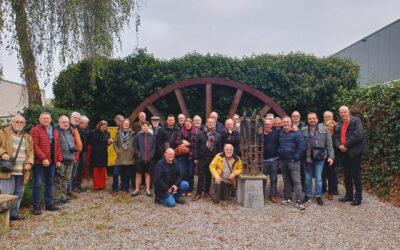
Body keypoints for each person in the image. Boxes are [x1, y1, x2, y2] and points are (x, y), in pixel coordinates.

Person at [0, 116, 34, 220]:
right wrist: (2, 153)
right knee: (7, 194)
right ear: (12, 123)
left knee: (19, 192)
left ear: (24, 124)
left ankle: (14, 214)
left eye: (22, 122)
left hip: (22, 170)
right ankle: (5, 217)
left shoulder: (27, 137)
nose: (19, 124)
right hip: (7, 170)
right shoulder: (3, 133)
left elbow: (31, 152)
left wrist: (29, 162)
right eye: (17, 122)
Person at [333, 106, 368, 206]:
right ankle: (349, 196)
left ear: (349, 112)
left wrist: (346, 145)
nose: (343, 114)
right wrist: (339, 145)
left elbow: (358, 135)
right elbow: (335, 136)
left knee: (356, 175)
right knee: (347, 175)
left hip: (354, 152)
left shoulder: (356, 121)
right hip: (343, 153)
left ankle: (358, 198)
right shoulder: (339, 124)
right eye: (341, 112)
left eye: (344, 112)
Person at [30, 112, 62, 215]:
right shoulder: (35, 130)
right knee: (38, 184)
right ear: (39, 120)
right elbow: (34, 146)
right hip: (39, 162)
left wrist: (58, 160)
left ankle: (48, 204)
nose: (46, 120)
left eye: (48, 118)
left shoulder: (54, 130)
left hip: (52, 161)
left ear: (51, 119)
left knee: (50, 182)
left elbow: (58, 146)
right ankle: (36, 206)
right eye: (44, 118)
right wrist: (43, 158)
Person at [301, 113, 334, 206]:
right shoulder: (303, 130)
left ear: (317, 119)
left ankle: (318, 196)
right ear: (308, 120)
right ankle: (307, 195)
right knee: (308, 177)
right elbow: (300, 144)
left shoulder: (324, 129)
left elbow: (329, 144)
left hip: (320, 157)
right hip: (307, 157)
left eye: (313, 118)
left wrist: (331, 157)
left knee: (319, 178)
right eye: (310, 119)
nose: (312, 120)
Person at [278, 116, 306, 210]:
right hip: (283, 160)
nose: (286, 124)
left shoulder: (297, 133)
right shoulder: (281, 133)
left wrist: (295, 158)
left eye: (287, 122)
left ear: (291, 123)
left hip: (293, 160)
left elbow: (302, 147)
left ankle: (298, 201)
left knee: (296, 181)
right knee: (286, 180)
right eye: (284, 122)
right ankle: (288, 197)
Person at [193, 118, 222, 201]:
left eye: (212, 122)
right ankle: (198, 193)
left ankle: (207, 192)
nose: (210, 123)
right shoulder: (200, 134)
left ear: (214, 123)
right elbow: (196, 146)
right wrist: (195, 157)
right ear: (206, 123)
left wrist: (218, 160)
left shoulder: (218, 135)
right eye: (209, 122)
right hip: (202, 158)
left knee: (209, 177)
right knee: (201, 176)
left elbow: (219, 149)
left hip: (212, 160)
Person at [53, 116, 79, 207]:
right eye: (64, 122)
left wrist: (74, 157)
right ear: (59, 123)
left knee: (66, 180)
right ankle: (56, 199)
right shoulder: (56, 132)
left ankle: (63, 197)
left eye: (67, 122)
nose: (66, 124)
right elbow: (56, 147)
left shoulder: (69, 131)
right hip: (61, 160)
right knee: (58, 180)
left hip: (70, 159)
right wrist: (57, 160)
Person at [171, 118, 198, 197]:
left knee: (190, 173)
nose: (187, 125)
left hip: (191, 156)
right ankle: (182, 189)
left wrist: (188, 144)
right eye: (186, 124)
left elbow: (197, 144)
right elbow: (176, 141)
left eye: (189, 123)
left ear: (191, 124)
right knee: (182, 173)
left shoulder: (196, 132)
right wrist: (182, 142)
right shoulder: (180, 131)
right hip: (181, 156)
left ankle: (189, 189)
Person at [132, 121, 155, 196]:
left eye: (146, 126)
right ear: (141, 127)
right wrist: (138, 154)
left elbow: (153, 147)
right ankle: (137, 189)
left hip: (149, 158)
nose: (145, 127)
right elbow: (135, 147)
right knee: (138, 174)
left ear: (148, 127)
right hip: (139, 158)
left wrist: (151, 155)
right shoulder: (137, 136)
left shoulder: (151, 136)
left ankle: (147, 189)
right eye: (143, 126)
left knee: (147, 174)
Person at [112, 119, 134, 197]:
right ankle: (115, 190)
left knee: (127, 175)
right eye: (125, 123)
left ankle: (125, 189)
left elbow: (135, 144)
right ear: (122, 124)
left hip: (129, 157)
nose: (126, 125)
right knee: (115, 173)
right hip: (120, 157)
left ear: (129, 125)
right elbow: (115, 143)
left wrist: (132, 151)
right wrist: (118, 151)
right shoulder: (118, 133)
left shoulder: (133, 134)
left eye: (127, 123)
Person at [88, 120, 112, 190]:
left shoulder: (108, 133)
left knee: (103, 169)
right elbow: (89, 142)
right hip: (95, 153)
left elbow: (107, 143)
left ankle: (102, 185)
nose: (104, 128)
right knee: (96, 170)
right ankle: (96, 185)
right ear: (99, 126)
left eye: (105, 127)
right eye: (103, 127)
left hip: (104, 152)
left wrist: (110, 143)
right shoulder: (93, 132)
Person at [260, 119, 279, 203]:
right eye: (266, 124)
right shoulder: (259, 135)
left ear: (272, 125)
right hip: (264, 160)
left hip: (274, 159)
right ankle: (262, 195)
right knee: (263, 178)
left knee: (274, 178)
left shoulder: (276, 133)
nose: (267, 126)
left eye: (269, 124)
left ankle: (273, 195)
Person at [72, 115, 90, 193]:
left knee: (82, 169)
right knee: (76, 169)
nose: (86, 125)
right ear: (81, 123)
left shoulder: (84, 130)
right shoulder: (76, 130)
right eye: (85, 123)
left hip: (84, 151)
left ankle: (79, 185)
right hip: (78, 152)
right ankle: (74, 186)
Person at [67, 112, 82, 198]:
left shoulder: (76, 128)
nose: (77, 120)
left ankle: (68, 191)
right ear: (70, 117)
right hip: (70, 155)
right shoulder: (68, 128)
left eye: (78, 119)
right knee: (68, 176)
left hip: (76, 155)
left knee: (72, 175)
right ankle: (65, 193)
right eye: (75, 118)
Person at [322, 119, 339, 200]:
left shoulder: (335, 136)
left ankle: (330, 192)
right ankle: (322, 189)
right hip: (323, 157)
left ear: (334, 127)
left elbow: (336, 146)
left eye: (331, 127)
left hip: (332, 157)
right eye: (328, 126)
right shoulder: (323, 134)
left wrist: (332, 156)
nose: (329, 128)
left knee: (331, 175)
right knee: (323, 174)